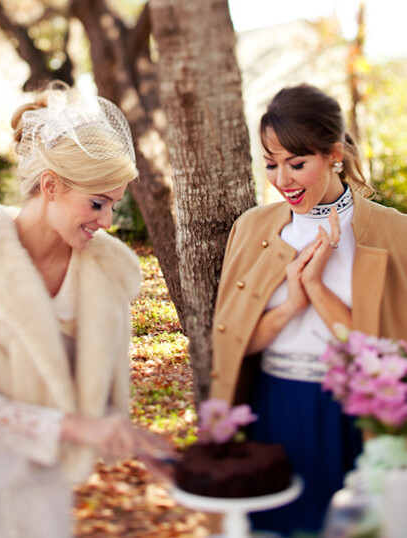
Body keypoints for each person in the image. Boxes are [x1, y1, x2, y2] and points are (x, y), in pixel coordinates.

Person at [0, 81, 173, 538]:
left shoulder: (105, 274)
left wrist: (135, 441)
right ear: (50, 186)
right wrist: (82, 427)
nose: (107, 223)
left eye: (114, 206)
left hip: (39, 492)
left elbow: (93, 396)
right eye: (97, 203)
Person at [210, 83, 407, 535]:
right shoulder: (252, 229)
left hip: (354, 417)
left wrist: (315, 287)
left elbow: (380, 350)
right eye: (272, 165)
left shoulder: (393, 234)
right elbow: (238, 340)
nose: (282, 181)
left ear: (334, 153)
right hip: (273, 407)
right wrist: (291, 304)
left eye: (297, 164)